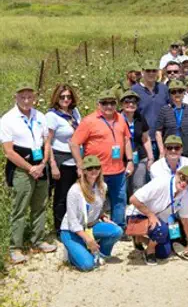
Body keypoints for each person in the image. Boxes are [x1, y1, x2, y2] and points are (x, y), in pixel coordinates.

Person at [2, 83, 57, 264]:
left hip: (40, 166)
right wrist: (30, 168)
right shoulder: (7, 119)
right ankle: (15, 247)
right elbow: (9, 152)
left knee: (40, 205)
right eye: (22, 97)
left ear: (35, 98)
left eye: (29, 97)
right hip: (21, 169)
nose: (26, 100)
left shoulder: (40, 116)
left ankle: (38, 240)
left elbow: (47, 142)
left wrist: (42, 164)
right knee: (20, 208)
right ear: (16, 97)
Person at [70, 90, 133, 231]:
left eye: (112, 103)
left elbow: (126, 139)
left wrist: (130, 160)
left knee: (120, 200)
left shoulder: (121, 118)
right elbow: (74, 143)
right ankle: (91, 228)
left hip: (118, 170)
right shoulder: (89, 121)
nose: (109, 106)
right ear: (98, 104)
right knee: (95, 201)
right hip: (96, 172)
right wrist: (80, 165)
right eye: (105, 103)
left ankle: (119, 228)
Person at [59, 155, 123, 271]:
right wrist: (88, 239)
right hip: (71, 231)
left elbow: (97, 208)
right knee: (87, 266)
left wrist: (103, 217)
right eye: (89, 168)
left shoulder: (103, 186)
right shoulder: (75, 190)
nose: (94, 171)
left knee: (117, 230)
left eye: (97, 167)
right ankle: (71, 254)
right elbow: (73, 222)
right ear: (83, 171)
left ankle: (100, 254)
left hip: (90, 226)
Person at [127, 166, 188, 265]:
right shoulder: (161, 182)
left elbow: (185, 219)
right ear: (177, 174)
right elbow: (133, 199)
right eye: (183, 178)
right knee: (162, 230)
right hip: (137, 214)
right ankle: (149, 252)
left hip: (158, 219)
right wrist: (151, 215)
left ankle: (139, 238)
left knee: (163, 253)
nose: (184, 183)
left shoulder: (184, 193)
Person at [45, 84, 82, 235]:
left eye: (68, 96)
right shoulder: (52, 116)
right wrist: (52, 164)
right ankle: (60, 227)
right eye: (62, 97)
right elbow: (47, 141)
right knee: (62, 195)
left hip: (76, 158)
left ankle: (74, 223)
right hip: (61, 159)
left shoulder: (75, 112)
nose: (66, 99)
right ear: (56, 98)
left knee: (75, 194)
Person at [155, 80, 188, 170]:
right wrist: (161, 151)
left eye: (180, 91)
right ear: (170, 94)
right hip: (171, 149)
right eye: (173, 92)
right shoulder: (164, 110)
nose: (177, 94)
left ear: (184, 93)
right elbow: (158, 132)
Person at [149, 135, 188, 212]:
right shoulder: (155, 167)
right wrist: (182, 204)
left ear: (181, 150)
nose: (173, 150)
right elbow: (161, 193)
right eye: (169, 148)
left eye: (177, 148)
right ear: (164, 149)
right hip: (165, 201)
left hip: (186, 197)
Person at [132, 59, 170, 160]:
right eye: (148, 71)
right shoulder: (134, 90)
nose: (151, 73)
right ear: (142, 72)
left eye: (154, 71)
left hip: (163, 138)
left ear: (158, 72)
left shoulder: (163, 88)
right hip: (144, 139)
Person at [119, 90, 154, 194]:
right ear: (121, 104)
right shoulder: (116, 118)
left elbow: (146, 139)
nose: (130, 104)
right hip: (121, 159)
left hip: (139, 157)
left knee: (138, 187)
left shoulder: (140, 117)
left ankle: (135, 209)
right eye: (127, 101)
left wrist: (150, 158)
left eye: (134, 102)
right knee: (122, 188)